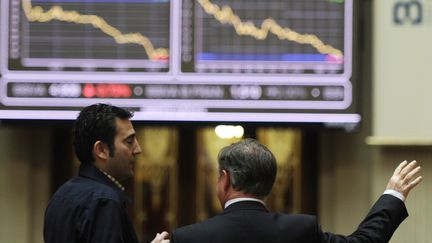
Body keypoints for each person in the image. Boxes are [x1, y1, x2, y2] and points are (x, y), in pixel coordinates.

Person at [171, 138, 423, 243]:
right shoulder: (301, 230)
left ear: (224, 180)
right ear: (269, 184)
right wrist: (393, 195)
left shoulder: (187, 238)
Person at [44, 103, 170, 243]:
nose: (138, 149)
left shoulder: (61, 194)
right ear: (101, 150)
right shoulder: (105, 201)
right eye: (129, 141)